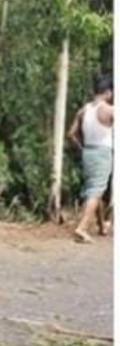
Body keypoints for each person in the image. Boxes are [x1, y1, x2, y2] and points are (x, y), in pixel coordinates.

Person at [67, 74, 114, 243]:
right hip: (102, 153)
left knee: (95, 188)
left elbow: (71, 134)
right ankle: (82, 227)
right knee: (97, 189)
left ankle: (102, 226)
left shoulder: (84, 110)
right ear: (108, 92)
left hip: (88, 152)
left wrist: (81, 149)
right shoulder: (110, 110)